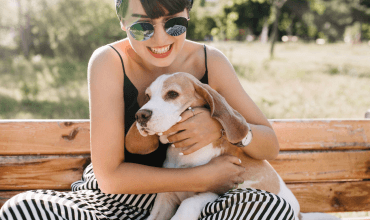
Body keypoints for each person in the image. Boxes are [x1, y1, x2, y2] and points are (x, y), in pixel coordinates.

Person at [0, 0, 295, 219]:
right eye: (142, 26)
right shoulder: (108, 62)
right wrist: (203, 177)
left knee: (270, 208)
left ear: (188, 14)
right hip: (123, 198)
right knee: (22, 209)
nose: (160, 39)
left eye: (173, 24)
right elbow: (110, 179)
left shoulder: (210, 62)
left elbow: (269, 145)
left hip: (204, 201)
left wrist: (219, 126)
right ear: (122, 22)